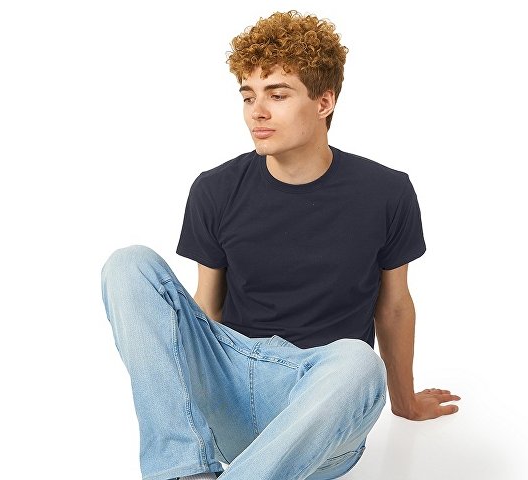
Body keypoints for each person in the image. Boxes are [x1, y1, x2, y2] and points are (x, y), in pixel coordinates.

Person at [101, 10, 460, 480]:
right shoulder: (215, 189)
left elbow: (393, 306)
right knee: (128, 265)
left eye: (277, 94)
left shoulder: (387, 192)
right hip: (232, 388)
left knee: (357, 360)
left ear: (324, 101)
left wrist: (405, 400)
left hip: (321, 411)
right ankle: (182, 468)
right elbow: (207, 310)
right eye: (248, 96)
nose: (257, 111)